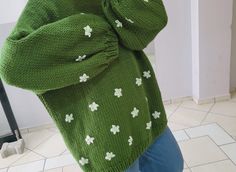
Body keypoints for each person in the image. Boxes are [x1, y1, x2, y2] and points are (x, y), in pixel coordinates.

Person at [0, 0, 184, 171]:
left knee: (171, 163)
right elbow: (11, 65)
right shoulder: (46, 4)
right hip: (106, 133)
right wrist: (96, 36)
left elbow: (153, 19)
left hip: (144, 109)